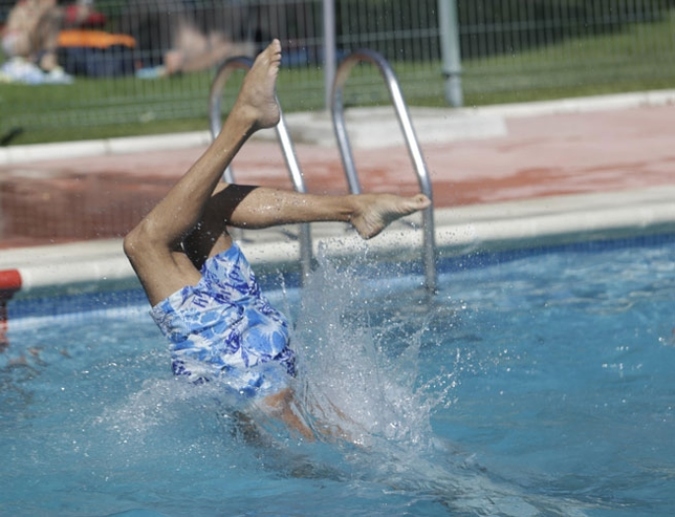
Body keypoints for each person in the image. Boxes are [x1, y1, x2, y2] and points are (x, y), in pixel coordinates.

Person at [123, 39, 431, 439]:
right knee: (187, 221)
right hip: (254, 367)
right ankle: (352, 207)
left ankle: (249, 119)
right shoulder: (316, 429)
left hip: (246, 369)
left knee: (157, 238)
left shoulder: (302, 431)